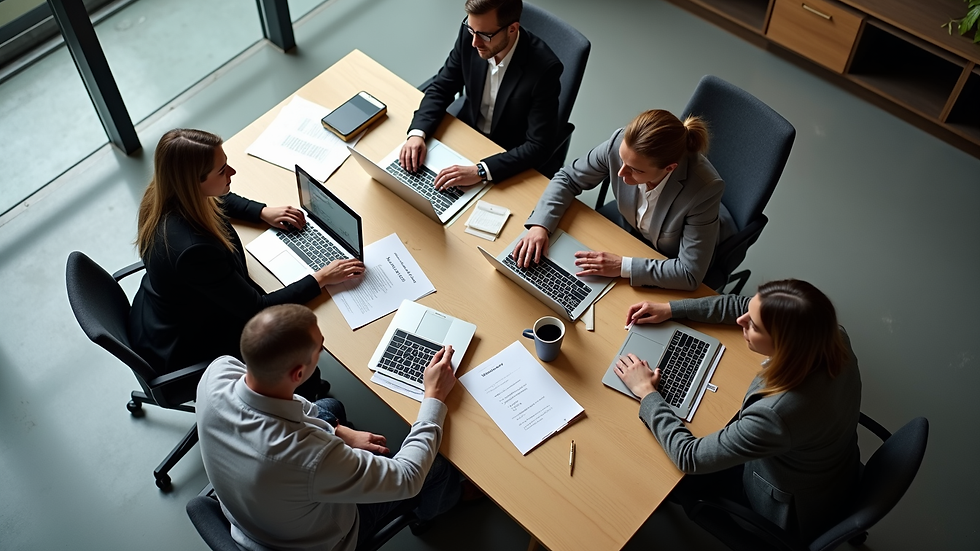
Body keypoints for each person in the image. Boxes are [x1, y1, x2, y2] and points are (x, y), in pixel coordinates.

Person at [196, 304, 462, 551]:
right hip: (323, 539)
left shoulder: (216, 374)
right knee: (437, 467)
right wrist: (433, 397)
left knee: (328, 407)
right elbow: (407, 477)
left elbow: (297, 411)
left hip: (252, 510)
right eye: (320, 348)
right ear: (299, 374)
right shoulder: (310, 457)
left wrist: (335, 431)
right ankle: (433, 510)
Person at [614, 279, 862, 539]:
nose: (741, 320)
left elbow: (690, 457)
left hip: (790, 505)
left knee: (662, 469)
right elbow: (742, 305)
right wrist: (672, 309)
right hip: (833, 468)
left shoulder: (777, 414)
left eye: (753, 325)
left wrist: (647, 392)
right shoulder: (831, 335)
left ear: (785, 345)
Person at [128, 129, 364, 398]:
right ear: (193, 182)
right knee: (291, 347)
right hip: (188, 343)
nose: (232, 172)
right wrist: (321, 278)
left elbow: (217, 197)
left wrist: (261, 212)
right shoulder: (194, 250)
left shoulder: (163, 193)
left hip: (159, 312)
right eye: (221, 171)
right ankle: (318, 408)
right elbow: (257, 309)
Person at [514, 109, 735, 291]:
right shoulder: (620, 143)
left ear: (669, 169)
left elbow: (689, 273)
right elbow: (568, 177)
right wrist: (540, 225)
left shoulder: (704, 190)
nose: (620, 173)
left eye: (635, 170)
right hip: (630, 228)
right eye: (621, 160)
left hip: (670, 252)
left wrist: (622, 266)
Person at [399, 0, 562, 190]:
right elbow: (442, 86)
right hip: (468, 132)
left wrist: (481, 171)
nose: (475, 42)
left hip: (507, 156)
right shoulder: (471, 35)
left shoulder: (545, 69)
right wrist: (418, 133)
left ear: (512, 29)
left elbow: (538, 145)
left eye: (485, 35)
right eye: (471, 30)